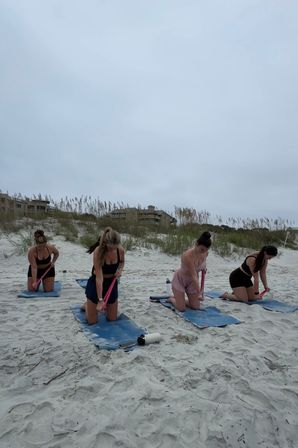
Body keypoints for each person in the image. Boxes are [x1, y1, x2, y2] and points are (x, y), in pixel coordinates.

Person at [84, 227, 125, 325]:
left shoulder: (120, 250)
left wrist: (119, 270)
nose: (113, 249)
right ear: (106, 243)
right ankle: (86, 305)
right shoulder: (98, 252)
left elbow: (122, 262)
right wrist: (100, 300)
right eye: (111, 247)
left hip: (111, 283)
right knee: (92, 322)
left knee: (112, 319)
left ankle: (94, 305)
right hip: (96, 284)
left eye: (116, 247)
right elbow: (99, 278)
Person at [168, 231, 212, 312]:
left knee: (196, 307)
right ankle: (172, 299)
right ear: (196, 244)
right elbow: (194, 276)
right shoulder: (187, 256)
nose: (203, 251)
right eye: (202, 249)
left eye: (206, 250)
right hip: (180, 279)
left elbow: (203, 265)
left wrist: (203, 268)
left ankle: (180, 299)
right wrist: (199, 293)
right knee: (181, 308)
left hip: (192, 282)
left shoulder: (205, 253)